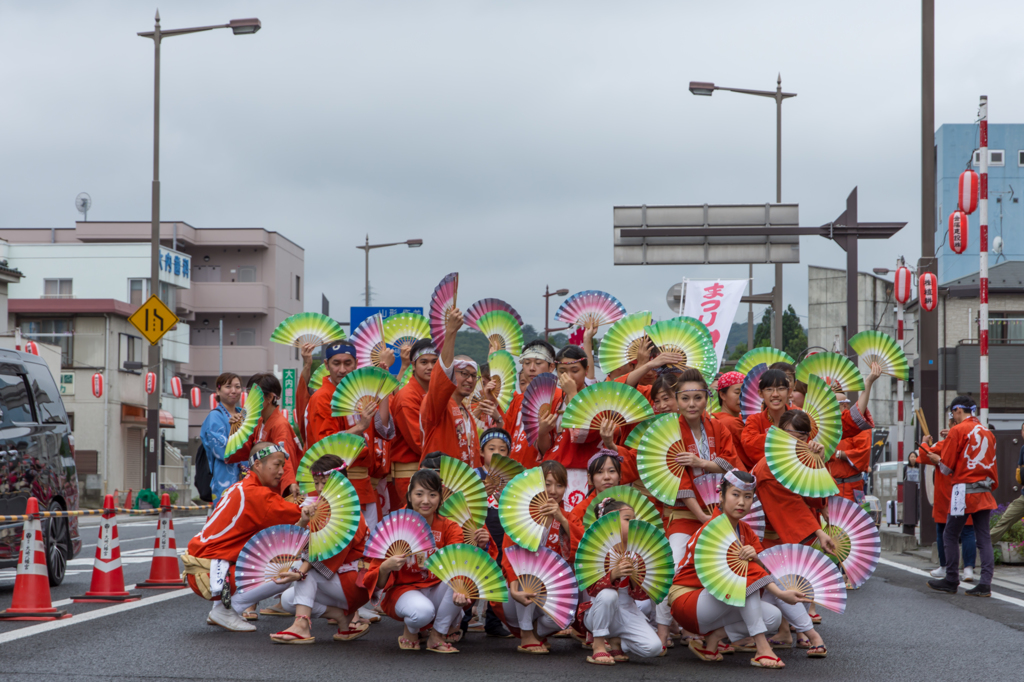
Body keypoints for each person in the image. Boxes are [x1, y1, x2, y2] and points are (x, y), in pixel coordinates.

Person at [670, 470, 821, 668]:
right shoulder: (714, 529)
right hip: (688, 601)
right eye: (735, 494)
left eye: (747, 496)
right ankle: (762, 649)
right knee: (742, 581)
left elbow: (764, 568)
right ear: (721, 496)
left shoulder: (745, 530)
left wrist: (757, 557)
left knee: (772, 618)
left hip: (714, 601)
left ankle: (712, 640)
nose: (742, 502)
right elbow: (747, 575)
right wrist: (781, 594)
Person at [182, 443, 302, 632]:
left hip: (206, 568)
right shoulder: (256, 494)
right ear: (258, 465)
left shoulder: (240, 487)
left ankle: (221, 609)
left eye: (283, 466)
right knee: (292, 564)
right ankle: (226, 610)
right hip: (212, 573)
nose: (281, 471)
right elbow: (299, 515)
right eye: (277, 465)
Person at [362, 469, 469, 653]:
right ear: (409, 496)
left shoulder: (450, 527)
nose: (426, 501)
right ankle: (411, 629)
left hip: (436, 588)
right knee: (421, 613)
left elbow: (459, 563)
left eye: (432, 495)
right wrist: (386, 567)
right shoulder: (393, 524)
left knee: (462, 578)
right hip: (403, 592)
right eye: (419, 494)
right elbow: (374, 582)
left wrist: (461, 591)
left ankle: (436, 636)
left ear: (440, 497)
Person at [270, 455, 371, 644]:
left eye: (324, 482)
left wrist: (300, 573)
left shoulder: (349, 512)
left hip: (353, 582)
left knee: (305, 572)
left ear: (341, 482)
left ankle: (302, 626)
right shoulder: (321, 507)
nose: (319, 488)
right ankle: (341, 616)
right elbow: (296, 546)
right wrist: (303, 521)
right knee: (288, 600)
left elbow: (323, 555)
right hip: (337, 581)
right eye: (316, 482)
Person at [306, 341, 395, 529]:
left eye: (348, 363)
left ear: (356, 364)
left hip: (364, 483)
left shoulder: (361, 391)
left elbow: (383, 429)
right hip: (336, 484)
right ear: (326, 364)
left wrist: (384, 382)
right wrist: (361, 426)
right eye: (336, 363)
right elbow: (325, 445)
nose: (342, 369)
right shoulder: (322, 397)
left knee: (367, 543)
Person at [502, 460, 584, 653]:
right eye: (547, 483)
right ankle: (526, 634)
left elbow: (583, 551)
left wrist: (562, 520)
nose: (553, 490)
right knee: (531, 566)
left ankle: (537, 634)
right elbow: (509, 555)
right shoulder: (521, 514)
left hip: (548, 595)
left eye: (559, 485)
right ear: (538, 484)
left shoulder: (569, 518)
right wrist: (514, 589)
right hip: (517, 597)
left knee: (568, 613)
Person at [576, 499, 664, 665]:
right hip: (597, 611)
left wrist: (634, 579)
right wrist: (613, 575)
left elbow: (641, 595)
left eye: (634, 519)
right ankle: (599, 644)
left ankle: (617, 641)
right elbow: (590, 588)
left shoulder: (638, 551)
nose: (634, 524)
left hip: (627, 611)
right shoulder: (596, 548)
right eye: (628, 519)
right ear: (611, 521)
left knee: (653, 648)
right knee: (608, 595)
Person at [740, 364, 880, 468]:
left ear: (790, 391)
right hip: (768, 488)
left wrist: (867, 384)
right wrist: (792, 436)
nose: (775, 394)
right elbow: (751, 448)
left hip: (801, 485)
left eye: (781, 389)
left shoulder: (804, 417)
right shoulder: (755, 420)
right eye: (769, 389)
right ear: (760, 393)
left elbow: (845, 423)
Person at [928, 396, 998, 597]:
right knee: (983, 536)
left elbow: (947, 467)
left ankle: (951, 579)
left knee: (950, 533)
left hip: (963, 489)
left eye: (953, 413)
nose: (953, 417)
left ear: (958, 410)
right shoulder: (987, 432)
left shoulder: (957, 431)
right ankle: (985, 583)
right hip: (984, 488)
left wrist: (937, 459)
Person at [419, 307, 482, 468]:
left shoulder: (465, 411)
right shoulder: (437, 404)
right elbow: (442, 376)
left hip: (464, 484)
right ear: (452, 375)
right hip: (439, 483)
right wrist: (451, 332)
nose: (470, 380)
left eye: (474, 376)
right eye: (464, 373)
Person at [915, 426, 977, 582]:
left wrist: (924, 443)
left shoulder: (944, 445)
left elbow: (924, 455)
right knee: (968, 531)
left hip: (946, 495)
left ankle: (945, 567)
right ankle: (968, 569)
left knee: (943, 530)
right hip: (965, 491)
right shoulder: (970, 445)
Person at [229, 372, 301, 499]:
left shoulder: (280, 425)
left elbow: (285, 458)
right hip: (263, 487)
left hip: (275, 489)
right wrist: (238, 428)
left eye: (256, 396)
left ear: (270, 397)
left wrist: (290, 483)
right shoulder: (260, 420)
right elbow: (246, 448)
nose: (251, 401)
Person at [390, 338, 437, 502]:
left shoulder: (435, 393)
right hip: (411, 474)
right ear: (413, 365)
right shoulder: (406, 397)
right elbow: (419, 441)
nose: (430, 367)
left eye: (434, 362)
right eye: (424, 362)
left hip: (432, 467)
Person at [502, 339, 557, 468]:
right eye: (527, 363)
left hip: (539, 472)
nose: (532, 368)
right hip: (511, 469)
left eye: (538, 363)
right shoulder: (518, 400)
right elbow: (506, 434)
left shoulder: (558, 398)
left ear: (551, 367)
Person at [200, 372, 244, 503]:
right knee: (227, 518)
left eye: (237, 387)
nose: (234, 391)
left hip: (247, 479)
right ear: (218, 391)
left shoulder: (243, 414)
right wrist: (235, 430)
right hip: (225, 478)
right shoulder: (215, 416)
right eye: (228, 386)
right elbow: (222, 450)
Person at [827, 391, 872, 502]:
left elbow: (863, 452)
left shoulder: (857, 425)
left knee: (854, 518)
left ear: (844, 405)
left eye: (833, 406)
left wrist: (838, 453)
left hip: (853, 487)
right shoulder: (826, 424)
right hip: (830, 487)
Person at [991, 421, 1024, 544]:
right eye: (1023, 430)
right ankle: (982, 546)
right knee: (1005, 520)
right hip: (1023, 497)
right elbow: (1019, 470)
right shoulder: (1023, 449)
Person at [711, 370, 745, 446]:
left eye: (745, 392)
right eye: (737, 393)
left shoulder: (717, 419)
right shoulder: (732, 423)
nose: (742, 397)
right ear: (722, 395)